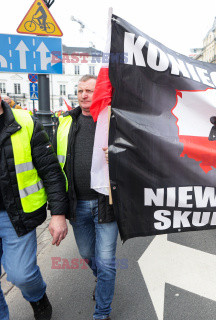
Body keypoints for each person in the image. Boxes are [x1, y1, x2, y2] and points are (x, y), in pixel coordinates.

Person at [54, 75, 118, 320]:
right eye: (80, 90)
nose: (83, 95)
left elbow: (133, 156)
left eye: (89, 91)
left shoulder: (112, 122)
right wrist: (58, 209)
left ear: (100, 93)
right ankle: (101, 279)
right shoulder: (66, 122)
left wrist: (118, 157)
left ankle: (102, 313)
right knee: (86, 254)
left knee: (107, 262)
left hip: (106, 203)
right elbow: (57, 168)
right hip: (77, 204)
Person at [0, 95, 68, 320]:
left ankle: (38, 297)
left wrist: (58, 213)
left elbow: (50, 170)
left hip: (16, 216)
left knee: (21, 275)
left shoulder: (25, 121)